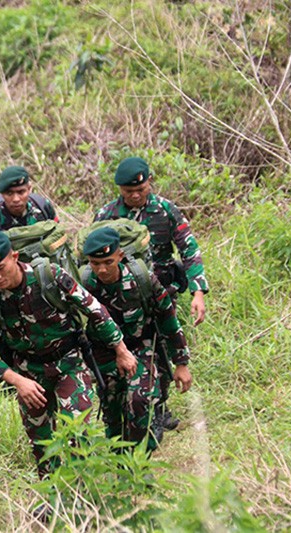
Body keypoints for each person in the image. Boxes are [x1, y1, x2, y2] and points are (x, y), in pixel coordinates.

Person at [0, 231, 136, 477]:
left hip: (69, 364)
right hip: (29, 374)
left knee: (78, 436)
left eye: (1, 268)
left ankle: (84, 499)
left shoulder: (48, 276)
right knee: (42, 445)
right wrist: (17, 380)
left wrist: (121, 349)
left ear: (14, 257)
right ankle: (54, 500)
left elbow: (94, 308)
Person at [94, 156, 208, 428]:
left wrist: (198, 291)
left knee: (161, 347)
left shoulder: (166, 210)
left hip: (161, 292)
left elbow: (188, 248)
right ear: (119, 190)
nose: (134, 195)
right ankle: (127, 408)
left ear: (149, 183)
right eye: (128, 191)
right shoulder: (106, 216)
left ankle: (160, 407)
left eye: (140, 189)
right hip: (120, 298)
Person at [81, 227, 192, 450]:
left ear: (120, 256)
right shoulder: (84, 285)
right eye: (95, 263)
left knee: (141, 401)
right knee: (112, 409)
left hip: (141, 346)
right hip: (105, 352)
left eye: (108, 262)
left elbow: (167, 319)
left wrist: (181, 363)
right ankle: (120, 462)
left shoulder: (143, 280)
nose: (102, 270)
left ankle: (142, 460)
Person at [0, 165, 58, 235]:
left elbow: (58, 237)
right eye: (9, 193)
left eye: (21, 192)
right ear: (2, 194)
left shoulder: (43, 207)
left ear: (29, 189)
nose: (16, 199)